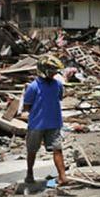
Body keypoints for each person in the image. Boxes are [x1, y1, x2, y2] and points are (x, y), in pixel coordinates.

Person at [23, 55, 68, 185]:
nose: (54, 74)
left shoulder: (57, 84)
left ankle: (62, 176)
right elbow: (27, 105)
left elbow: (27, 107)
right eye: (52, 71)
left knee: (56, 149)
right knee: (34, 150)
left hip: (50, 123)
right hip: (40, 124)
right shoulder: (33, 87)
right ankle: (30, 174)